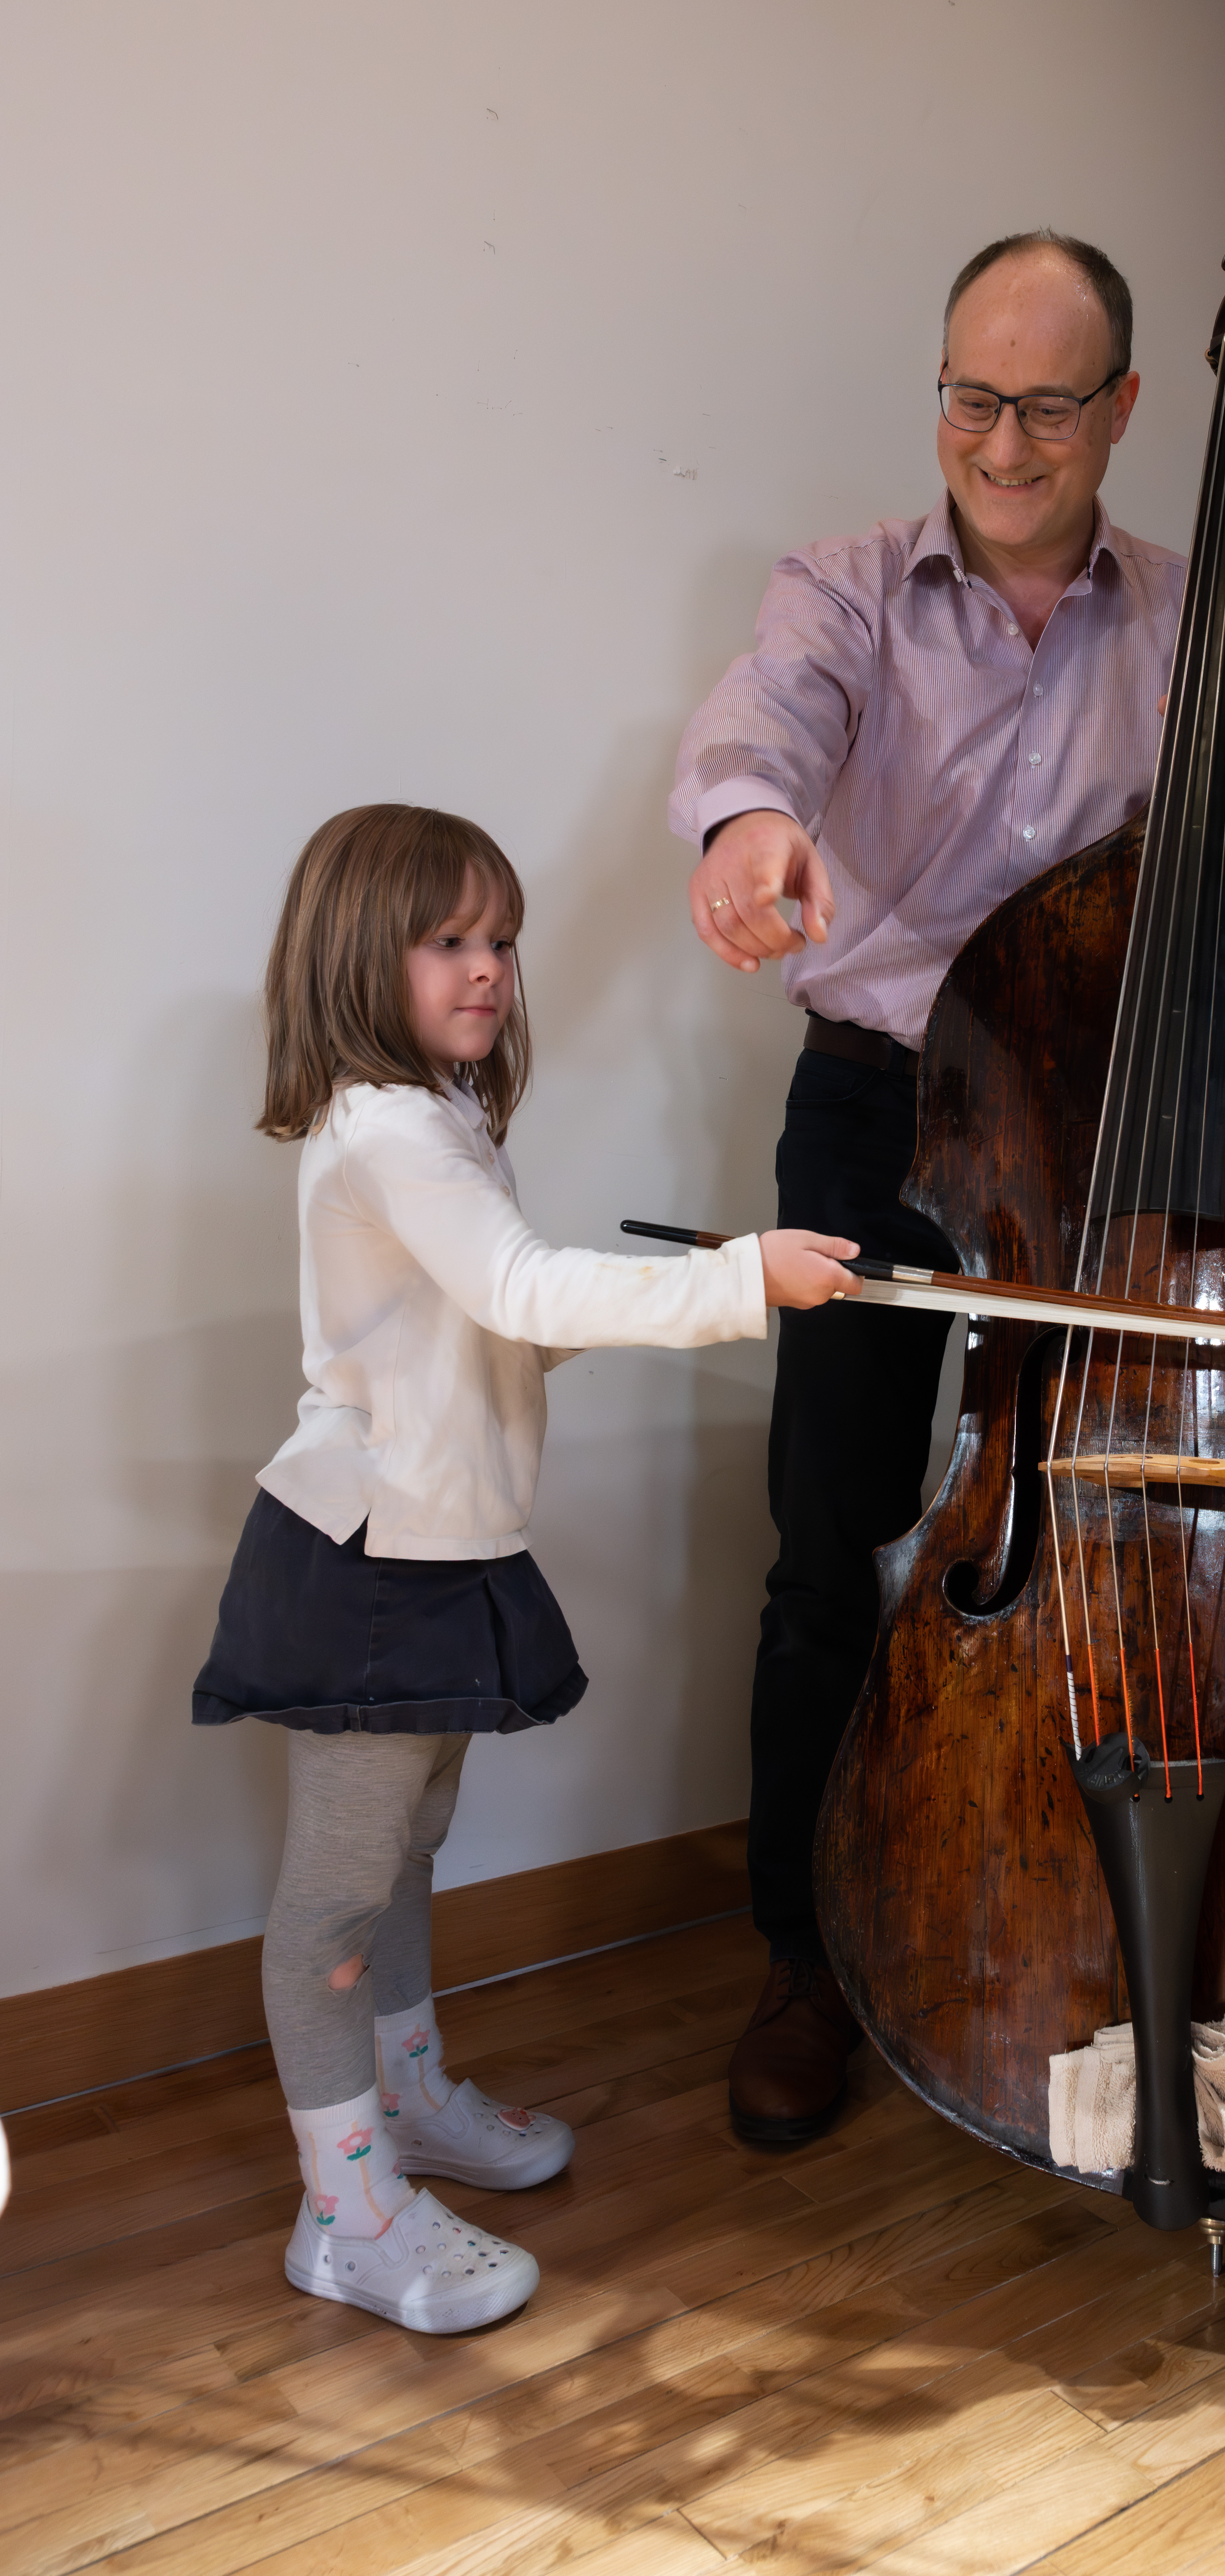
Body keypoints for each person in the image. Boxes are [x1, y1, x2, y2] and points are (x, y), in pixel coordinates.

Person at [669, 229, 1225, 2144]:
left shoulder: (1198, 615)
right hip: (877, 1106)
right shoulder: (848, 589)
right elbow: (765, 722)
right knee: (835, 1541)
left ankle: (1064, 1914)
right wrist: (756, 820)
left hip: (1090, 1128)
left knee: (1097, 1536)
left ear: (1125, 409)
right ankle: (805, 1953)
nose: (1006, 440)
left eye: (1048, 401)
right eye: (973, 393)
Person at [193, 803, 859, 2333]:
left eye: (501, 940)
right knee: (337, 1904)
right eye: (451, 942)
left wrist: (717, 1286)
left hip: (439, 1545)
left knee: (411, 1847)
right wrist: (731, 1276)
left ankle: (407, 2099)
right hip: (365, 1563)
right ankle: (344, 2210)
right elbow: (515, 1280)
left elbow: (505, 1321)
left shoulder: (440, 1116)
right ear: (363, 956)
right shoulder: (384, 1126)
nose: (489, 969)